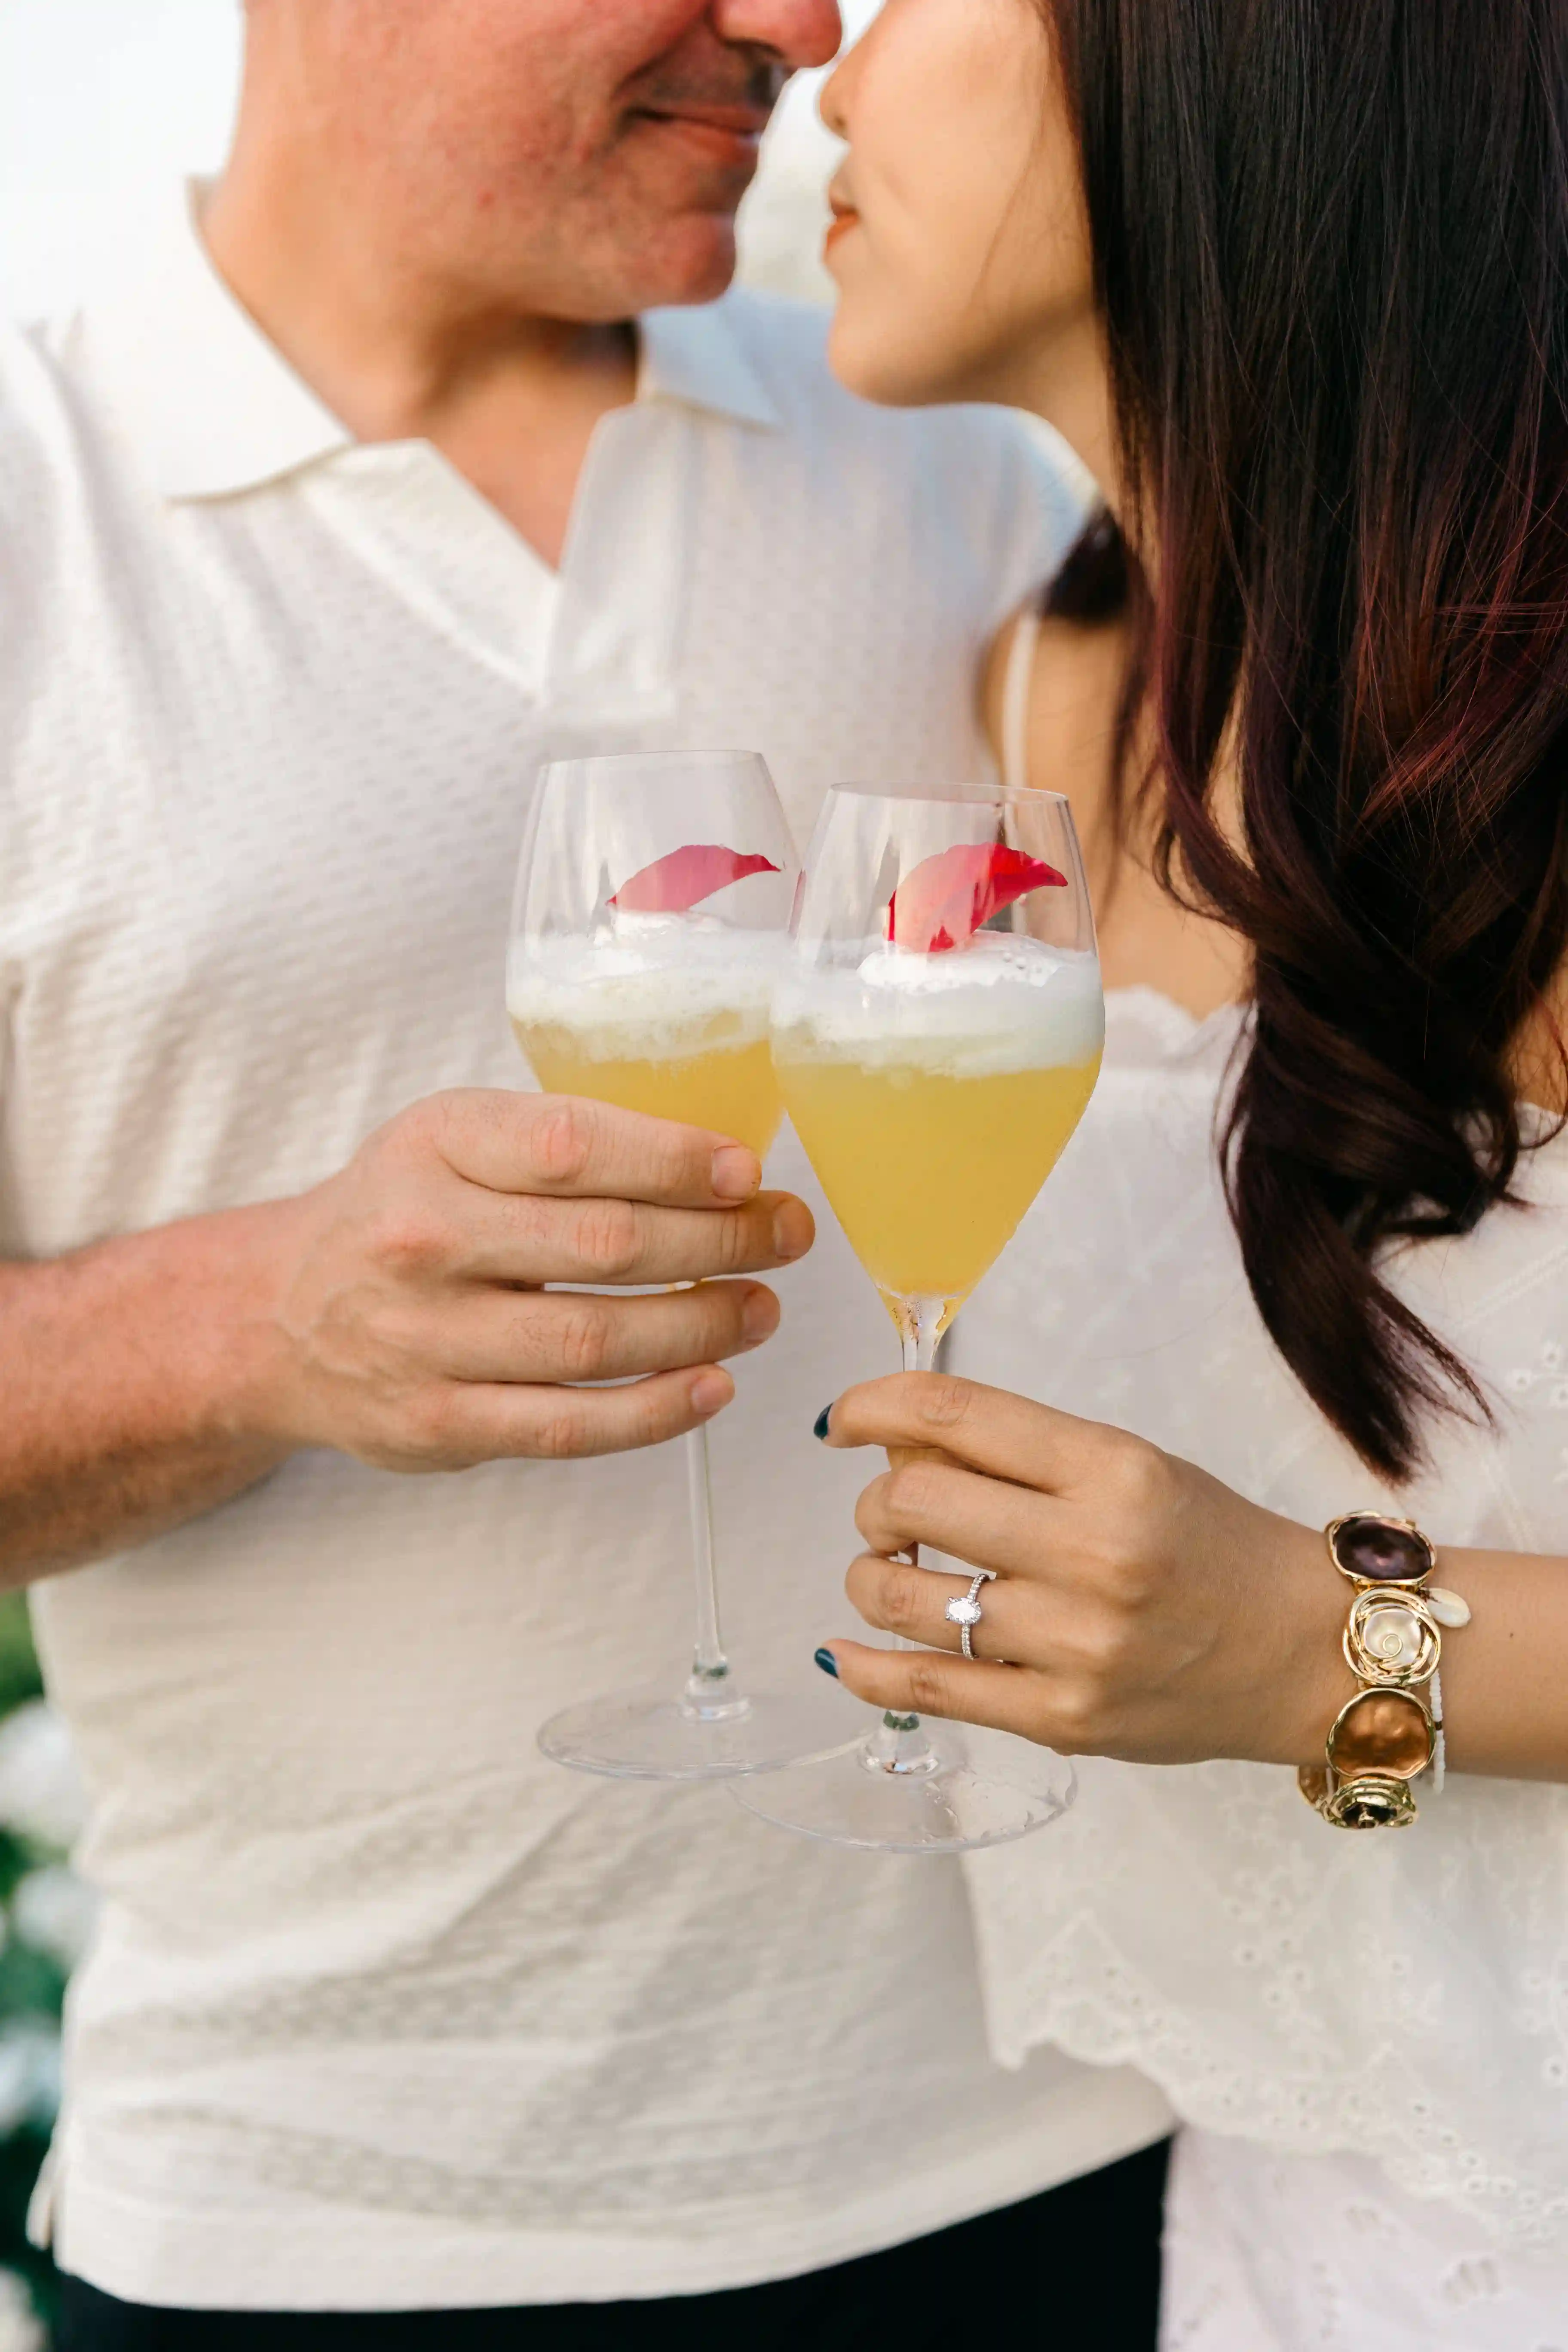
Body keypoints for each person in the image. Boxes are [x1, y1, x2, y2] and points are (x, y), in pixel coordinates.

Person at [0, 0, 1181, 2342]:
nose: (802, 25)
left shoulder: (964, 441)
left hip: (1107, 2148)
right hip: (338, 2232)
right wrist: (248, 1322)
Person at [806, 0, 1568, 2344]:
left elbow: (1283, 1615)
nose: (827, 66)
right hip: (1297, 2212)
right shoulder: (1057, 701)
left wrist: (1311, 1643)